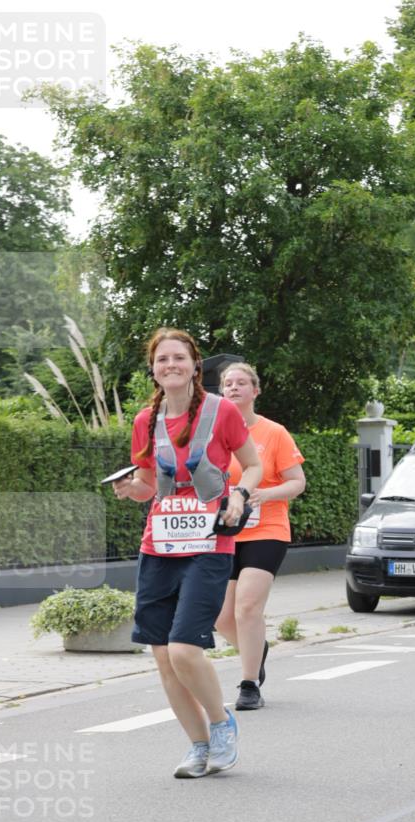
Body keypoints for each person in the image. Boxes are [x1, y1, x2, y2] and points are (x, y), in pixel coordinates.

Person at [113, 329, 262, 778]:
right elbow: (146, 487)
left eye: (179, 357)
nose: (170, 365)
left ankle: (221, 725)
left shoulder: (222, 412)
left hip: (209, 544)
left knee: (182, 648)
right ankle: (198, 746)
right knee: (162, 655)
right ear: (153, 368)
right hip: (158, 546)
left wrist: (239, 494)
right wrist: (128, 489)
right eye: (162, 359)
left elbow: (252, 464)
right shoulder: (146, 420)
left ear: (196, 366)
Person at [215, 363, 305, 710]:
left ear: (256, 391)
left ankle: (249, 683)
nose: (234, 388)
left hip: (266, 529)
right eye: (227, 384)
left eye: (241, 383)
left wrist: (266, 494)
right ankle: (257, 648)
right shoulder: (213, 434)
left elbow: (297, 481)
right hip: (225, 532)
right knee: (221, 617)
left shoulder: (274, 433)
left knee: (248, 607)